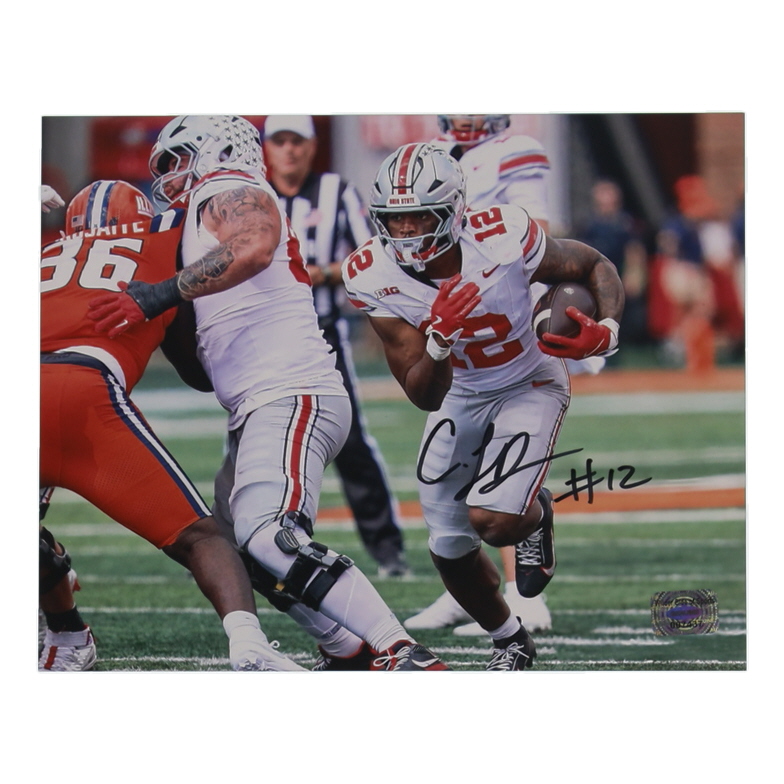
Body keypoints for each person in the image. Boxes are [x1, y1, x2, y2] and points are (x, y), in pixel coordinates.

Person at [88, 115, 447, 671]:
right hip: (258, 404)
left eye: (179, 160)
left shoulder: (228, 185)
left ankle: (402, 649)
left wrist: (159, 294)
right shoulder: (198, 221)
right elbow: (201, 373)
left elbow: (254, 245)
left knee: (269, 534)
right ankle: (346, 647)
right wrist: (165, 317)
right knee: (231, 546)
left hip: (291, 390)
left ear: (214, 150)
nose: (171, 176)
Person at [342, 143, 624, 669]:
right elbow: (423, 394)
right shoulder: (370, 273)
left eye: (420, 216)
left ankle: (533, 515)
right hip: (458, 390)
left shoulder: (501, 235)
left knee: (493, 521)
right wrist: (439, 339)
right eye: (395, 219)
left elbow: (592, 264)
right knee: (448, 545)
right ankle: (510, 640)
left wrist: (605, 331)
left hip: (528, 380)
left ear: (453, 212)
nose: (406, 231)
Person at [41, 177, 304, 672]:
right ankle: (248, 643)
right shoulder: (162, 237)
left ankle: (66, 628)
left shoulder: (43, 253)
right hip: (84, 392)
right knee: (201, 537)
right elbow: (194, 372)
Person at [406, 114, 562, 634]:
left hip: (507, 317)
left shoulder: (515, 149)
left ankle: (522, 596)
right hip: (457, 321)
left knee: (507, 464)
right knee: (455, 471)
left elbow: (536, 234)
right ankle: (465, 589)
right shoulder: (432, 152)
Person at [262, 115, 408, 578]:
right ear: (267, 147)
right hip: (260, 335)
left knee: (348, 439)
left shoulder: (336, 191)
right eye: (280, 141)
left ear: (311, 146)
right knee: (248, 441)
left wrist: (323, 273)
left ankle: (387, 549)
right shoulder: (252, 196)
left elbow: (374, 254)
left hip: (321, 331)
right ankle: (226, 544)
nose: (289, 150)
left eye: (297, 141)